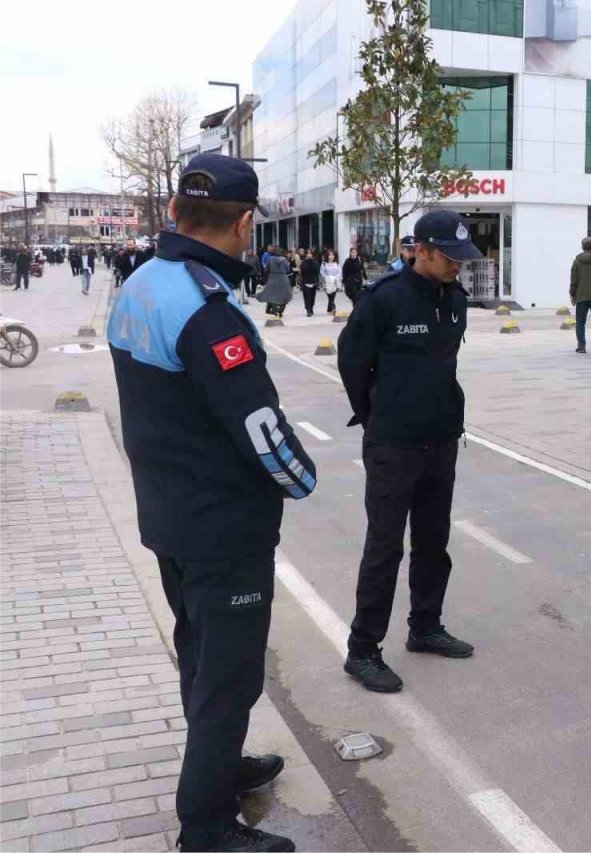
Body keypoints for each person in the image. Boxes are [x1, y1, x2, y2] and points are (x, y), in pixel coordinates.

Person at [106, 153, 315, 853]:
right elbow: (262, 430)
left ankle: (221, 764)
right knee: (229, 676)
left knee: (199, 651)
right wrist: (302, 478)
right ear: (247, 222)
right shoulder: (207, 310)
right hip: (221, 527)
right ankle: (206, 826)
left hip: (167, 514)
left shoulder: (141, 283)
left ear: (174, 212)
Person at [338, 209, 480, 693]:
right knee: (384, 548)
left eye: (462, 257)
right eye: (449, 257)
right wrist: (377, 415)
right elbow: (353, 363)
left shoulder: (456, 298)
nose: (457, 265)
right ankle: (363, 649)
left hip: (441, 439)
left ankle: (425, 627)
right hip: (393, 444)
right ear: (421, 250)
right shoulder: (384, 299)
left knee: (433, 542)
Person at [257, 246, 293, 318]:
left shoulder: (270, 259)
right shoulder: (285, 260)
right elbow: (288, 270)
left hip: (273, 278)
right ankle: (280, 311)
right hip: (283, 279)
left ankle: (274, 311)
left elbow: (266, 269)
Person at [299, 249, 321, 317]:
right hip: (306, 282)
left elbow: (317, 271)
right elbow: (302, 272)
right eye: (307, 253)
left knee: (312, 297)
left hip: (313, 282)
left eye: (310, 253)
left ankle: (311, 308)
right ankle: (308, 310)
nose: (309, 255)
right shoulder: (303, 263)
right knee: (307, 297)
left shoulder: (315, 262)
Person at [320, 249, 341, 315]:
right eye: (330, 255)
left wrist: (335, 278)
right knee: (330, 296)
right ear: (327, 256)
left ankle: (331, 309)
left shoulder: (337, 264)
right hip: (327, 283)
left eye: (332, 255)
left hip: (335, 282)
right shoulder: (324, 264)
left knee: (332, 297)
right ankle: (332, 308)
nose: (331, 256)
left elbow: (339, 272)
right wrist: (327, 278)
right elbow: (322, 273)